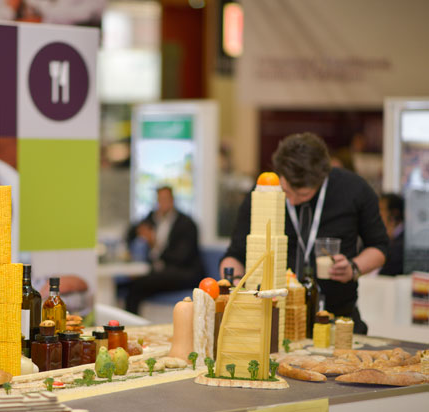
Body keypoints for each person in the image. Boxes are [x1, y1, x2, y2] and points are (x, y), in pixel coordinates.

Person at [220, 133, 388, 334]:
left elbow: (379, 247)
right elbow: (234, 254)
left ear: (323, 177)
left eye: (302, 195)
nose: (290, 201)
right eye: (286, 191)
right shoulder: (262, 193)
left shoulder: (355, 190)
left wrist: (353, 268)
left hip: (335, 317)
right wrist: (237, 282)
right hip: (275, 319)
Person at [124, 186, 204, 314]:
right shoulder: (152, 218)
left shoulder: (186, 223)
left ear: (172, 200)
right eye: (159, 199)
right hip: (161, 272)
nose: (162, 202)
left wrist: (155, 244)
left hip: (184, 273)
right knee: (128, 285)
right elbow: (131, 232)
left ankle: (130, 324)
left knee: (138, 286)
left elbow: (181, 257)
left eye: (165, 199)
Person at [378, 193, 404, 276]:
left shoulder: (403, 242)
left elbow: (385, 273)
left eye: (381, 209)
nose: (378, 214)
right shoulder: (383, 235)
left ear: (394, 214)